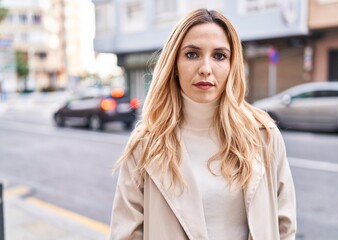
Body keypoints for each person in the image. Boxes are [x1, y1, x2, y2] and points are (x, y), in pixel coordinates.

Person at [110, 8, 296, 240]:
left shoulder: (264, 135)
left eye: (219, 56)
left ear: (232, 65)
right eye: (192, 54)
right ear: (174, 64)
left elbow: (284, 226)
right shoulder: (145, 144)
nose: (206, 69)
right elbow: (126, 235)